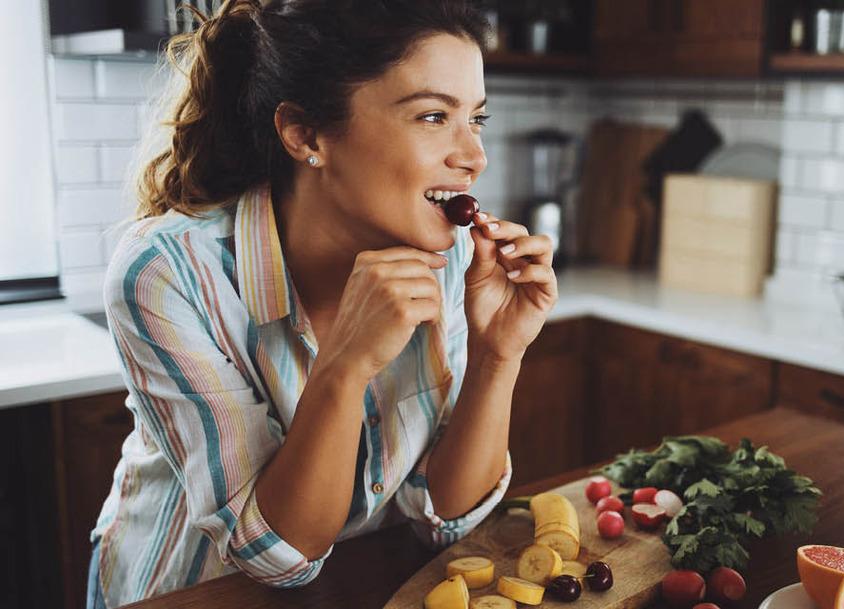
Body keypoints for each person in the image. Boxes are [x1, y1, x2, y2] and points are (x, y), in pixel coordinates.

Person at [87, 1, 556, 606]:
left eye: (476, 119)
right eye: (434, 116)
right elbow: (276, 556)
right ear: (305, 134)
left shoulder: (452, 256)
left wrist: (498, 354)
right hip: (192, 593)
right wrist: (345, 365)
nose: (474, 156)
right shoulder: (168, 272)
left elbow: (446, 515)